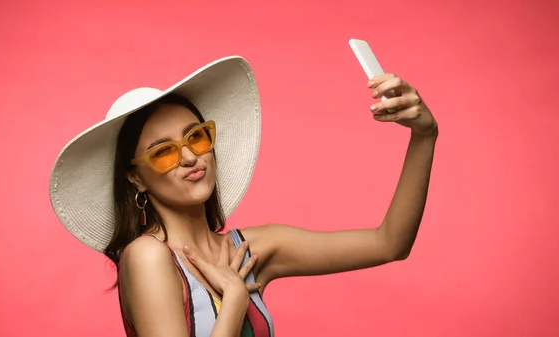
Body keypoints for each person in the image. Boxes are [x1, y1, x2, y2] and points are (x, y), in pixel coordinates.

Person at [49, 55, 438, 337]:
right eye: (164, 151)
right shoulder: (148, 257)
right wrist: (234, 301)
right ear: (137, 179)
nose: (189, 157)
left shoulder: (248, 250)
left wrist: (424, 135)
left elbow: (389, 243)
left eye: (196, 137)